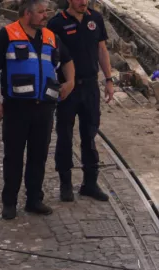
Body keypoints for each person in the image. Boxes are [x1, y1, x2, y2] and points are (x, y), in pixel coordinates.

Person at [0, 0, 75, 220]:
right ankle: (9, 202)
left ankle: (34, 200)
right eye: (41, 12)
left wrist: (70, 82)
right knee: (14, 156)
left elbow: (67, 60)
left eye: (46, 11)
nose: (46, 16)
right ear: (27, 14)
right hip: (17, 108)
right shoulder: (6, 35)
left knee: (38, 156)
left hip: (44, 108)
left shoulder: (50, 37)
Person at [47, 0, 114, 203]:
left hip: (91, 86)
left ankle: (90, 183)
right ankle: (65, 183)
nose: (83, 2)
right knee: (65, 135)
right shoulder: (57, 23)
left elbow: (102, 49)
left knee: (90, 135)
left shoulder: (96, 18)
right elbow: (49, 57)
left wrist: (109, 80)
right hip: (68, 88)